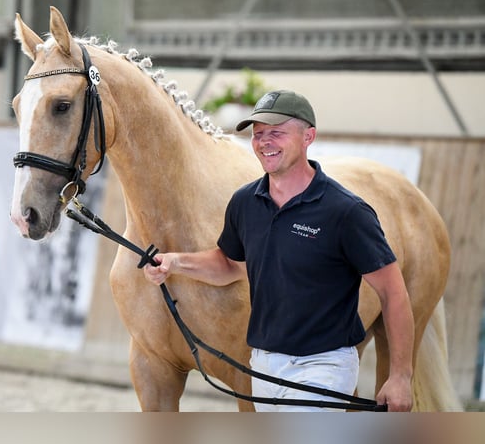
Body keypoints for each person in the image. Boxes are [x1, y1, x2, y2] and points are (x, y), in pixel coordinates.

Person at [143, 90, 414, 412]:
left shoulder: (346, 211)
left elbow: (393, 293)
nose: (264, 142)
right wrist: (175, 262)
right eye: (258, 134)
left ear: (308, 136)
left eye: (276, 133)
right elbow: (230, 264)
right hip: (264, 364)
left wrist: (400, 375)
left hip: (322, 366)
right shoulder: (245, 202)